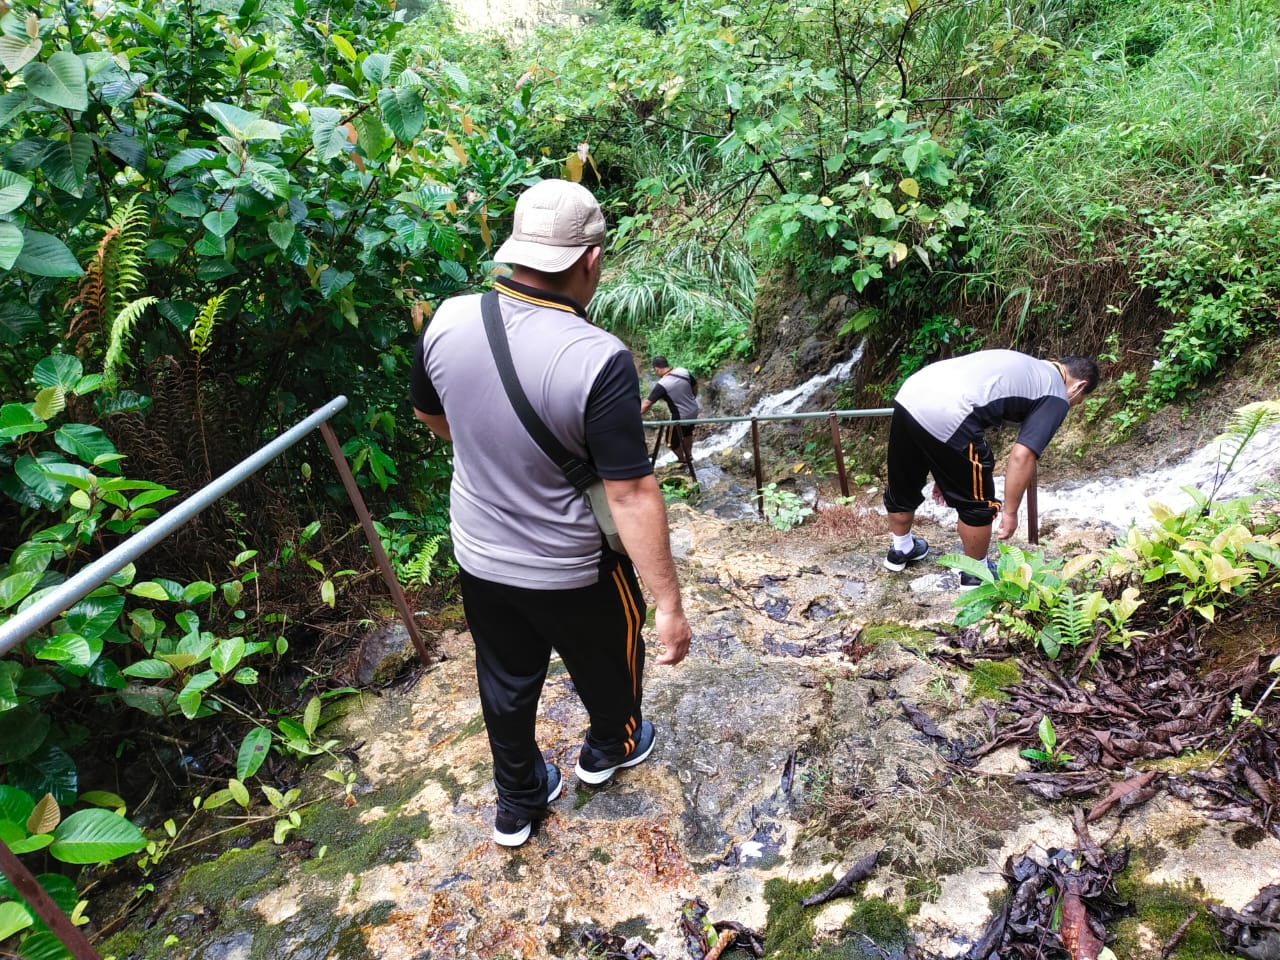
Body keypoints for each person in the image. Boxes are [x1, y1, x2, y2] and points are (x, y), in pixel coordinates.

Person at [409, 179, 692, 848]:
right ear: (591, 260)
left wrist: (494, 443)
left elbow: (431, 416)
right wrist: (669, 604)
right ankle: (610, 748)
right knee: (609, 664)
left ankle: (517, 800)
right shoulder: (599, 359)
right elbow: (630, 493)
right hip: (572, 569)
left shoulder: (446, 319)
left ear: (517, 248)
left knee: (505, 679)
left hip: (480, 554)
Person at [881, 349, 1099, 587]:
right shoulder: (1056, 393)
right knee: (977, 503)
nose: (1075, 405)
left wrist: (947, 475)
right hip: (952, 411)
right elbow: (1022, 456)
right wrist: (1011, 512)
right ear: (1079, 386)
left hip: (911, 393)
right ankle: (976, 574)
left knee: (904, 480)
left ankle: (901, 549)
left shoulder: (1030, 368)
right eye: (1079, 401)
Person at [639, 356, 700, 465]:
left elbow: (647, 404)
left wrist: (634, 416)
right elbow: (695, 386)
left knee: (670, 442)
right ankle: (689, 456)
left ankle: (682, 460)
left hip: (680, 416)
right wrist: (692, 399)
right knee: (687, 434)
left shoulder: (663, 384)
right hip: (694, 410)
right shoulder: (683, 371)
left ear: (657, 369)